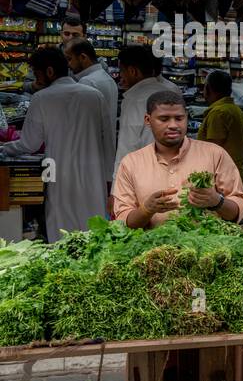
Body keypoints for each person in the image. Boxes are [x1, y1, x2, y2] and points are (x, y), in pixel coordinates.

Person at [0, 46, 106, 241]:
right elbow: (104, 136)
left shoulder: (42, 98)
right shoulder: (95, 96)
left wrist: (4, 148)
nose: (36, 80)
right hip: (94, 171)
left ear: (49, 71)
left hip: (57, 171)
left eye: (37, 74)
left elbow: (29, 145)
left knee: (62, 230)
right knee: (94, 228)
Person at [113, 92, 243, 228]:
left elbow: (237, 209)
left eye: (179, 118)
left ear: (186, 118)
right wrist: (146, 210)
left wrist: (216, 201)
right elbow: (123, 221)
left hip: (207, 246)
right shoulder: (131, 163)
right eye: (164, 119)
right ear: (148, 120)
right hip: (150, 247)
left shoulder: (215, 154)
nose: (173, 125)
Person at [115, 44, 181, 173]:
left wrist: (117, 187)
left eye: (121, 71)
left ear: (133, 71)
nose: (120, 76)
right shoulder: (169, 93)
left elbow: (127, 146)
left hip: (142, 175)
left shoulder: (135, 100)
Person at [64, 37, 117, 181]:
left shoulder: (87, 82)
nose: (69, 65)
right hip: (104, 156)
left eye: (70, 59)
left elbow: (81, 127)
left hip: (89, 158)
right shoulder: (106, 78)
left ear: (83, 57)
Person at [197, 70, 243, 180]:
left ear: (209, 89)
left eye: (205, 87)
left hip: (222, 177)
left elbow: (213, 151)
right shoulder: (235, 110)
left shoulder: (218, 113)